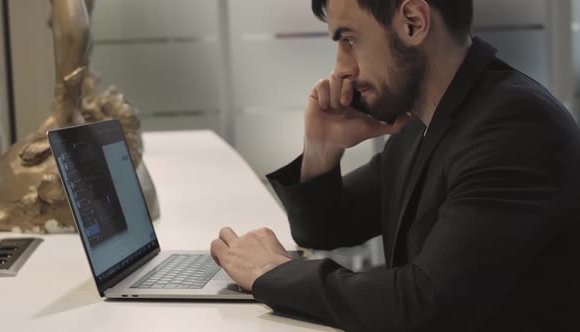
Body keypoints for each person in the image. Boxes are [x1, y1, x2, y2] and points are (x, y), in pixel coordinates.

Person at [210, 0, 580, 331]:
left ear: (413, 22)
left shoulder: (513, 127)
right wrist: (321, 149)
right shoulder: (425, 122)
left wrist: (273, 272)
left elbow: (425, 305)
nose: (341, 71)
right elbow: (324, 228)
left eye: (349, 40)